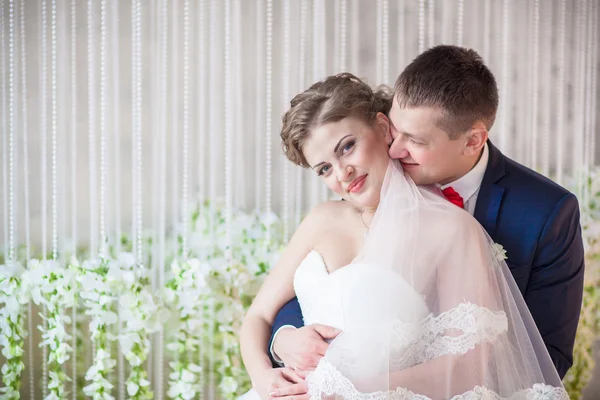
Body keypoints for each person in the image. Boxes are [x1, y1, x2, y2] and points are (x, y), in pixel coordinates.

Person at [268, 47, 585, 397]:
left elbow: (546, 356)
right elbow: (332, 291)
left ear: (473, 140)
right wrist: (285, 339)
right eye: (395, 130)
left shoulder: (546, 213)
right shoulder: (362, 186)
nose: (394, 148)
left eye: (415, 141)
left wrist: (378, 385)